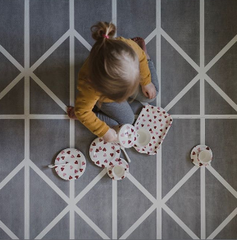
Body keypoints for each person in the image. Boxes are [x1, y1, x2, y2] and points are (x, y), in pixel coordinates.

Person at [67, 21, 159, 142]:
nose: (125, 99)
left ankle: (146, 60)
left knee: (152, 94)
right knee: (127, 121)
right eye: (123, 96)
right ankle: (91, 116)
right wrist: (104, 131)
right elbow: (83, 111)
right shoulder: (91, 87)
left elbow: (140, 58)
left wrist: (146, 82)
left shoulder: (127, 47)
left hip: (123, 78)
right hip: (104, 97)